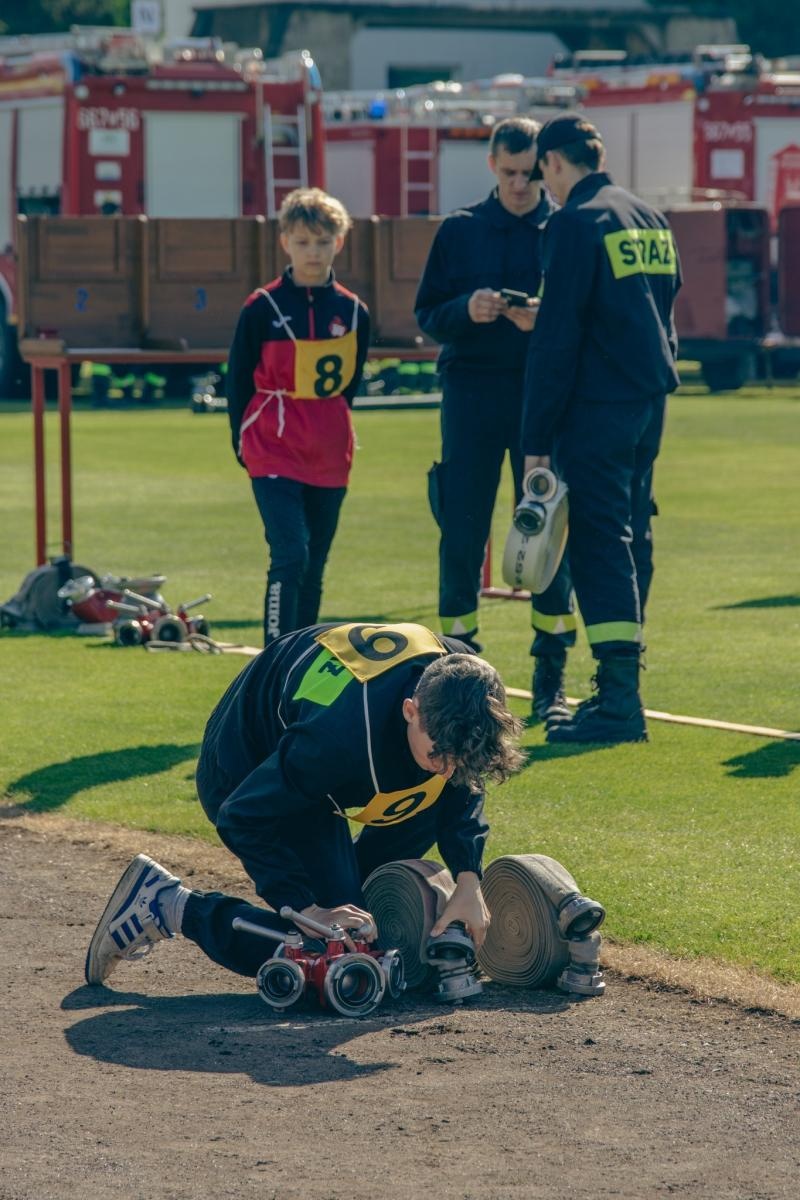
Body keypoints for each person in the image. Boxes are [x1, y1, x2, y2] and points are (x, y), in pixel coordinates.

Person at [85, 621, 523, 987]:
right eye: (439, 754)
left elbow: (463, 776)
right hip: (246, 765)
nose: (448, 770)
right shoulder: (336, 742)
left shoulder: (464, 682)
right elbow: (240, 818)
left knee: (362, 911)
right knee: (335, 953)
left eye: (459, 758)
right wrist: (305, 907)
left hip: (326, 745)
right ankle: (167, 904)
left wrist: (469, 879)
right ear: (410, 710)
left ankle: (355, 901)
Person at [521, 113, 682, 744]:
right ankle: (623, 686)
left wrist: (536, 437)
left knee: (598, 540)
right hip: (649, 403)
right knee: (633, 533)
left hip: (598, 406)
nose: (546, 186)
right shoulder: (649, 218)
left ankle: (618, 701)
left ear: (557, 163)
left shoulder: (575, 223)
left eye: (545, 174)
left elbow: (556, 340)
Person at [415, 117, 576, 722]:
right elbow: (426, 314)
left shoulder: (564, 228)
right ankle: (458, 671)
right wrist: (468, 308)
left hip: (542, 395)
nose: (517, 184)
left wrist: (544, 318)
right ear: (490, 166)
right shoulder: (460, 230)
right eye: (507, 173)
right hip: (472, 394)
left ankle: (551, 677)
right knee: (461, 527)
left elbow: (582, 317)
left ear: (543, 168)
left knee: (546, 529)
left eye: (528, 173)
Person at [226, 188, 371, 646]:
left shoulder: (352, 311)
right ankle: (273, 657)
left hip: (329, 451)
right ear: (285, 241)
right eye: (304, 241)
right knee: (290, 551)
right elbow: (238, 379)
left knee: (314, 563)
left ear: (339, 243)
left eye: (323, 241)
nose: (314, 252)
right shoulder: (261, 307)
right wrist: (241, 441)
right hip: (271, 446)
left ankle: (300, 656)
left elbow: (351, 383)